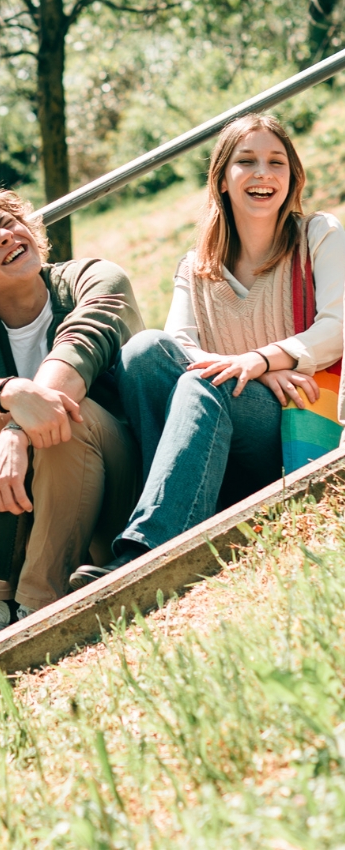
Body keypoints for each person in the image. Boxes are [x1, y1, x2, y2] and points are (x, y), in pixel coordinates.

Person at [70, 114, 345, 590]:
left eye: (276, 162)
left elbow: (338, 326)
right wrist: (256, 370)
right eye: (247, 161)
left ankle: (150, 550)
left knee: (202, 382)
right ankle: (181, 507)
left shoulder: (318, 235)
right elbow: (178, 347)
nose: (263, 173)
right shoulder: (196, 265)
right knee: (143, 352)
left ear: (292, 176)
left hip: (289, 425)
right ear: (221, 178)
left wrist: (260, 360)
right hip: (223, 411)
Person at [0, 187, 143, 634]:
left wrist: (17, 428)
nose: (5, 236)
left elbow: (80, 347)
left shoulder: (93, 279)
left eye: (7, 223)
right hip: (42, 514)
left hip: (123, 496)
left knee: (62, 417)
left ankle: (39, 604)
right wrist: (11, 392)